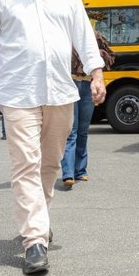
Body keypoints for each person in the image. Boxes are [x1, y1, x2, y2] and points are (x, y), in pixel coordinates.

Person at [0, 0, 105, 275]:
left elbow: (84, 38)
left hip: (61, 92)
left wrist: (97, 73)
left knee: (50, 165)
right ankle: (34, 240)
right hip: (18, 94)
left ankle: (38, 220)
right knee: (25, 165)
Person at [60, 50, 95, 188]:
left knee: (83, 131)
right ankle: (68, 173)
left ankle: (80, 171)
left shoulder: (92, 36)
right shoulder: (62, 34)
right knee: (71, 130)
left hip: (87, 83)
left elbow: (105, 55)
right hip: (69, 82)